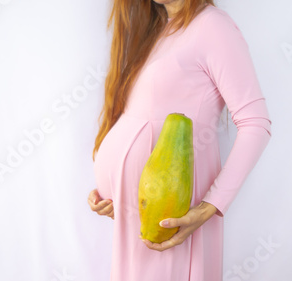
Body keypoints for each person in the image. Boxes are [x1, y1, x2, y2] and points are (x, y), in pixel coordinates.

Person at [87, 0, 272, 280]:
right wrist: (117, 193)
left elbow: (255, 123)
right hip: (138, 221)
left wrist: (211, 206)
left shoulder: (213, 25)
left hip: (176, 216)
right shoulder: (159, 31)